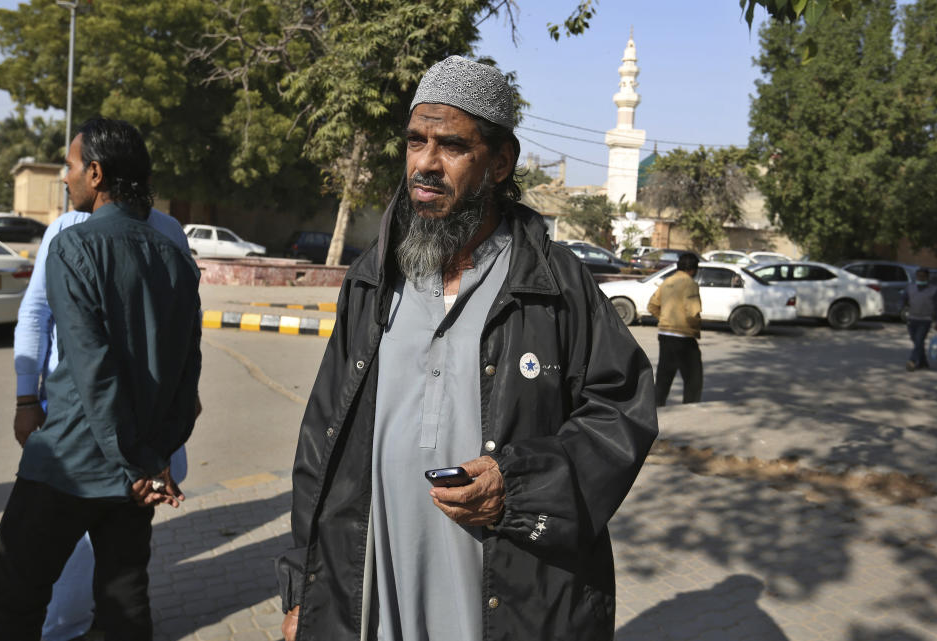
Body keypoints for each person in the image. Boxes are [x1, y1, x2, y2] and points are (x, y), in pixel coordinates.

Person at [277, 56, 658, 641]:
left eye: (451, 146)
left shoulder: (556, 283)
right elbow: (320, 443)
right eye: (415, 142)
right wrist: (303, 588)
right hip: (373, 598)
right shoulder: (372, 278)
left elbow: (620, 412)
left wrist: (519, 487)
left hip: (505, 604)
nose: (425, 164)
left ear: (500, 162)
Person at [0, 117, 202, 640]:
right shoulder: (177, 256)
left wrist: (136, 459)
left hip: (70, 461)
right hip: (139, 472)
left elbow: (92, 370)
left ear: (96, 172)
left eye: (68, 166)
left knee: (12, 595)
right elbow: (187, 374)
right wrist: (153, 460)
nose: (65, 178)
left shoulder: (74, 244)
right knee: (125, 604)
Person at [648, 252, 702, 406]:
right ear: (693, 269)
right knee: (693, 378)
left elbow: (652, 306)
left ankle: (656, 409)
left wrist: (665, 319)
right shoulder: (690, 284)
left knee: (664, 377)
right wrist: (695, 328)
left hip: (665, 335)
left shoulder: (667, 282)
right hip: (684, 337)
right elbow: (693, 313)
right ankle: (691, 409)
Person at [901, 267, 937, 371]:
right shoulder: (910, 288)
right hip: (912, 319)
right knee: (917, 342)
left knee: (919, 340)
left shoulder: (934, 290)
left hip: (925, 320)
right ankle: (923, 362)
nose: (921, 278)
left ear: (927, 277)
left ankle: (912, 361)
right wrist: (903, 310)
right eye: (919, 276)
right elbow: (903, 300)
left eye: (923, 276)